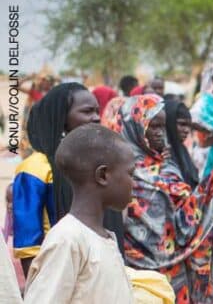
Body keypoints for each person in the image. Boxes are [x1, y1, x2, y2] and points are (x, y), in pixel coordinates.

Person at [114, 94, 213, 303]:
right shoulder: (120, 171)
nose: (160, 134)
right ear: (134, 127)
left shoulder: (167, 165)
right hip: (138, 276)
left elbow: (184, 219)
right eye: (152, 126)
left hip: (175, 271)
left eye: (163, 127)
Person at [12, 83, 125, 275]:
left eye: (98, 111)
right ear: (62, 118)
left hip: (106, 273)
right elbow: (28, 247)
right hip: (60, 275)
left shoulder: (98, 165)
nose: (96, 118)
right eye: (87, 111)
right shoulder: (36, 169)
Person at [23, 124, 135, 303]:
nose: (134, 183)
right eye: (131, 173)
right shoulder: (68, 240)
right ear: (103, 175)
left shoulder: (102, 237)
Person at [164, 100, 199, 188]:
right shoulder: (163, 152)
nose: (187, 130)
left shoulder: (182, 150)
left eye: (189, 126)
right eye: (182, 124)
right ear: (169, 122)